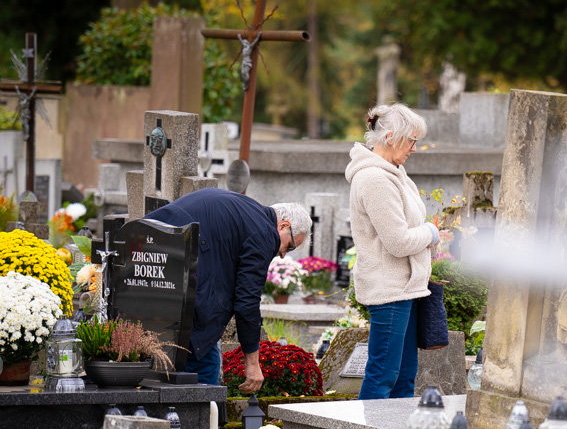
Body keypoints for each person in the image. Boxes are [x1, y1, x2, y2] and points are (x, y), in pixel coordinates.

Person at [147, 188, 312, 393]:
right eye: (290, 246)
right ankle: (201, 420)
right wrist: (252, 364)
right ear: (283, 226)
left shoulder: (247, 209)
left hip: (149, 265)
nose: (282, 255)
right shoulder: (264, 233)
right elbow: (247, 302)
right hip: (190, 300)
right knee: (204, 371)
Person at [346, 102, 438, 399]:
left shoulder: (395, 172)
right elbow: (397, 241)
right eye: (412, 140)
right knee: (383, 374)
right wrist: (431, 233)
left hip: (406, 288)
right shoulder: (374, 178)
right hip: (389, 290)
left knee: (403, 378)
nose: (414, 148)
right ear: (390, 138)